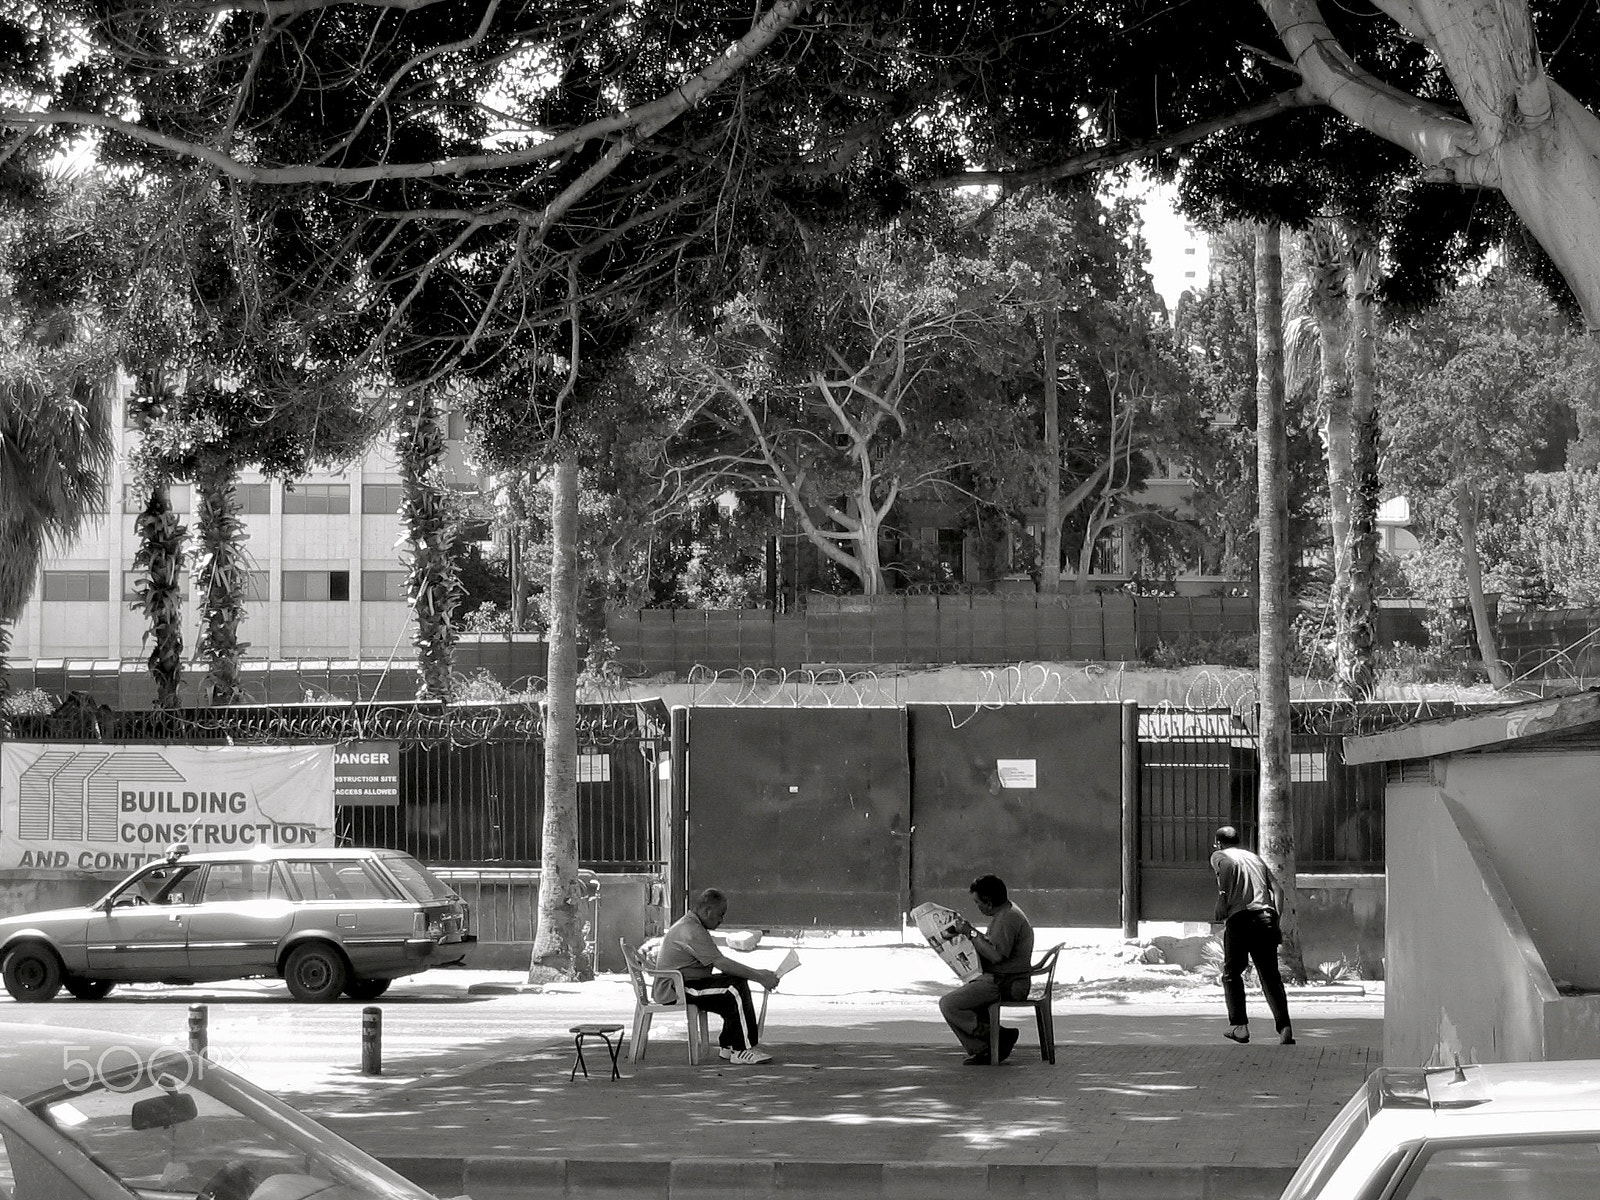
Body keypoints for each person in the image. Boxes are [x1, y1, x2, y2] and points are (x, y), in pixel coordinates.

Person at [654, 887, 781, 1065]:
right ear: (708, 911)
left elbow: (722, 964)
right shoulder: (691, 930)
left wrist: (759, 974)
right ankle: (742, 1049)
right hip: (677, 988)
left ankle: (729, 1045)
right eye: (720, 914)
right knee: (733, 989)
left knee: (735, 982)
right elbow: (721, 963)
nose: (721, 920)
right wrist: (760, 977)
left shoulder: (692, 925)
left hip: (686, 983)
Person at [937, 874, 1035, 1065]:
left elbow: (996, 956)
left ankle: (991, 1041)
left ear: (988, 902)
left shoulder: (1008, 918)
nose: (977, 907)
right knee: (966, 996)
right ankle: (994, 1041)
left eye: (977, 902)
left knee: (949, 1004)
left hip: (1006, 983)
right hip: (1000, 978)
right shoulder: (1005, 913)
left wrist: (971, 932)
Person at [1210, 826, 1294, 1045]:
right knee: (1270, 977)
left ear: (1219, 843)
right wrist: (1275, 916)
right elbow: (1278, 890)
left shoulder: (1220, 856)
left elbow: (1226, 866)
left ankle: (1240, 1027)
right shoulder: (1255, 858)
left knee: (1231, 973)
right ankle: (1284, 1028)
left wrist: (1222, 896)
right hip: (1266, 918)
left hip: (1240, 919)